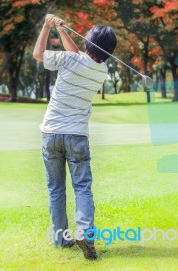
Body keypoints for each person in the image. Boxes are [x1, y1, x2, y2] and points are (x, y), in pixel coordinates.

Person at [33, 14, 117, 260]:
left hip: (51, 134)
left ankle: (61, 238)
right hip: (77, 136)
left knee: (55, 189)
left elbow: (39, 54)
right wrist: (62, 30)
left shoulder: (70, 60)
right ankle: (84, 232)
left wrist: (47, 27)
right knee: (82, 188)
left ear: (88, 43)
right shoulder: (101, 71)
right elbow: (79, 56)